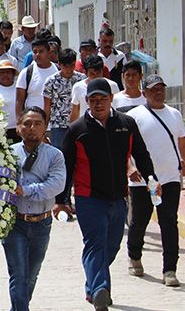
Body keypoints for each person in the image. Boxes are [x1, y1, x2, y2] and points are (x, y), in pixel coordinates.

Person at [58, 78, 156, 309]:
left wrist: (152, 178)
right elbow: (67, 166)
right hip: (88, 198)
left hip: (119, 197)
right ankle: (101, 289)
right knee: (95, 244)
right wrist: (61, 200)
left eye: (103, 99)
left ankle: (92, 282)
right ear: (87, 101)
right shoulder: (76, 130)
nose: (98, 103)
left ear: (111, 99)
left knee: (111, 246)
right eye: (93, 100)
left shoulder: (127, 124)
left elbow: (141, 154)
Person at [3, 106, 66, 311]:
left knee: (31, 275)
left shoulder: (55, 155)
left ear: (46, 127)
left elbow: (56, 185)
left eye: (37, 123)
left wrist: (26, 190)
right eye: (27, 123)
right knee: (18, 274)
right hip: (14, 223)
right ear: (19, 127)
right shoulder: (8, 154)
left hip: (42, 222)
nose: (32, 128)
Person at [126, 75, 184, 287]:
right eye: (153, 89)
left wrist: (182, 162)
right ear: (144, 93)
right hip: (143, 180)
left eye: (161, 89)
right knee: (139, 221)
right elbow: (126, 148)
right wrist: (130, 168)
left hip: (169, 178)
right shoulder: (134, 117)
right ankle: (134, 256)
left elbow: (180, 141)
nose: (158, 92)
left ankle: (170, 269)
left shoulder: (175, 115)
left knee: (169, 222)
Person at [43, 49, 86, 149]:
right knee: (59, 155)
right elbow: (47, 106)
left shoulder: (82, 79)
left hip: (78, 124)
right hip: (58, 125)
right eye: (65, 66)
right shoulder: (51, 81)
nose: (69, 69)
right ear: (59, 64)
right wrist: (44, 126)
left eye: (71, 65)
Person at [15, 38, 58, 118]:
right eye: (35, 52)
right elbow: (19, 101)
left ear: (49, 53)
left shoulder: (58, 70)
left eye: (41, 51)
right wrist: (19, 121)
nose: (37, 54)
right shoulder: (26, 73)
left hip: (55, 123)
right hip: (32, 123)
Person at [69, 55, 120, 122]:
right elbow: (75, 113)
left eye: (98, 73)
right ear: (86, 73)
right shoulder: (78, 87)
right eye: (92, 74)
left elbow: (117, 108)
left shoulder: (112, 86)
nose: (96, 76)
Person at [0, 60, 20, 144]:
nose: (5, 75)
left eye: (8, 72)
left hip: (18, 129)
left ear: (13, 74)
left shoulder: (19, 87)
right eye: (2, 72)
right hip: (1, 130)